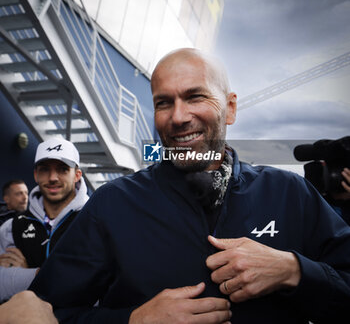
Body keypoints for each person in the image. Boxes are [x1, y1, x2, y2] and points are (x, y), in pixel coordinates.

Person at [30, 48, 350, 323]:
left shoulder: (288, 193)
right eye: (163, 103)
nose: (179, 117)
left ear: (231, 108)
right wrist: (131, 319)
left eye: (195, 96)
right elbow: (41, 311)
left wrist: (293, 270)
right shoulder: (112, 204)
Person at [0, 137, 89, 302]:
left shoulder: (95, 220)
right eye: (44, 169)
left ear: (77, 175)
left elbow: (95, 288)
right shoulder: (13, 226)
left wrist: (26, 275)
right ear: (35, 174)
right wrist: (37, 276)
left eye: (63, 169)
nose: (53, 177)